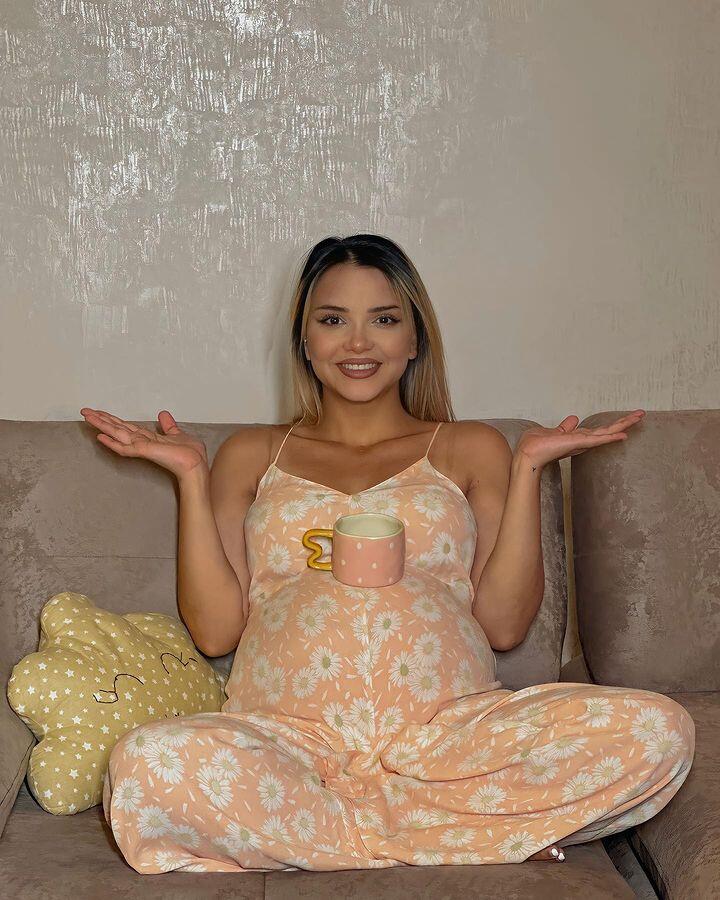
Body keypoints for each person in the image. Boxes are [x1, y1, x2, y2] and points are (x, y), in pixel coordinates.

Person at [83, 233, 694, 873]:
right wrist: (189, 475)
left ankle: (345, 834)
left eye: (383, 319)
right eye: (332, 320)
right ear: (304, 340)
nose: (358, 343)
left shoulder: (472, 447)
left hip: (448, 742)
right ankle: (457, 836)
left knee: (661, 730)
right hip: (290, 745)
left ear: (415, 339)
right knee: (144, 763)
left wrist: (529, 469)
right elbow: (215, 631)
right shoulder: (249, 454)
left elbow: (505, 625)